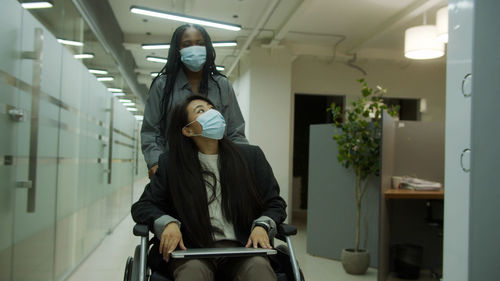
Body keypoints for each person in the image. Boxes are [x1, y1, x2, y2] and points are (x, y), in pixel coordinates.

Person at [131, 95, 286, 281]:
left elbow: (275, 203)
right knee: (192, 273)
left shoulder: (251, 158)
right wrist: (167, 223)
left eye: (212, 108)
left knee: (259, 269)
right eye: (201, 111)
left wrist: (262, 225)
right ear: (187, 130)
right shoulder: (172, 164)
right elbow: (143, 206)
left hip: (243, 249)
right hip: (192, 251)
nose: (211, 113)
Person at [141, 24, 248, 178]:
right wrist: (156, 163)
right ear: (177, 50)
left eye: (199, 43)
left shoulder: (221, 85)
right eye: (186, 44)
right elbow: (151, 132)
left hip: (217, 170)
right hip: (174, 170)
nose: (194, 48)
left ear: (207, 47)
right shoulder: (162, 86)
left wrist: (243, 163)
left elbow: (235, 132)